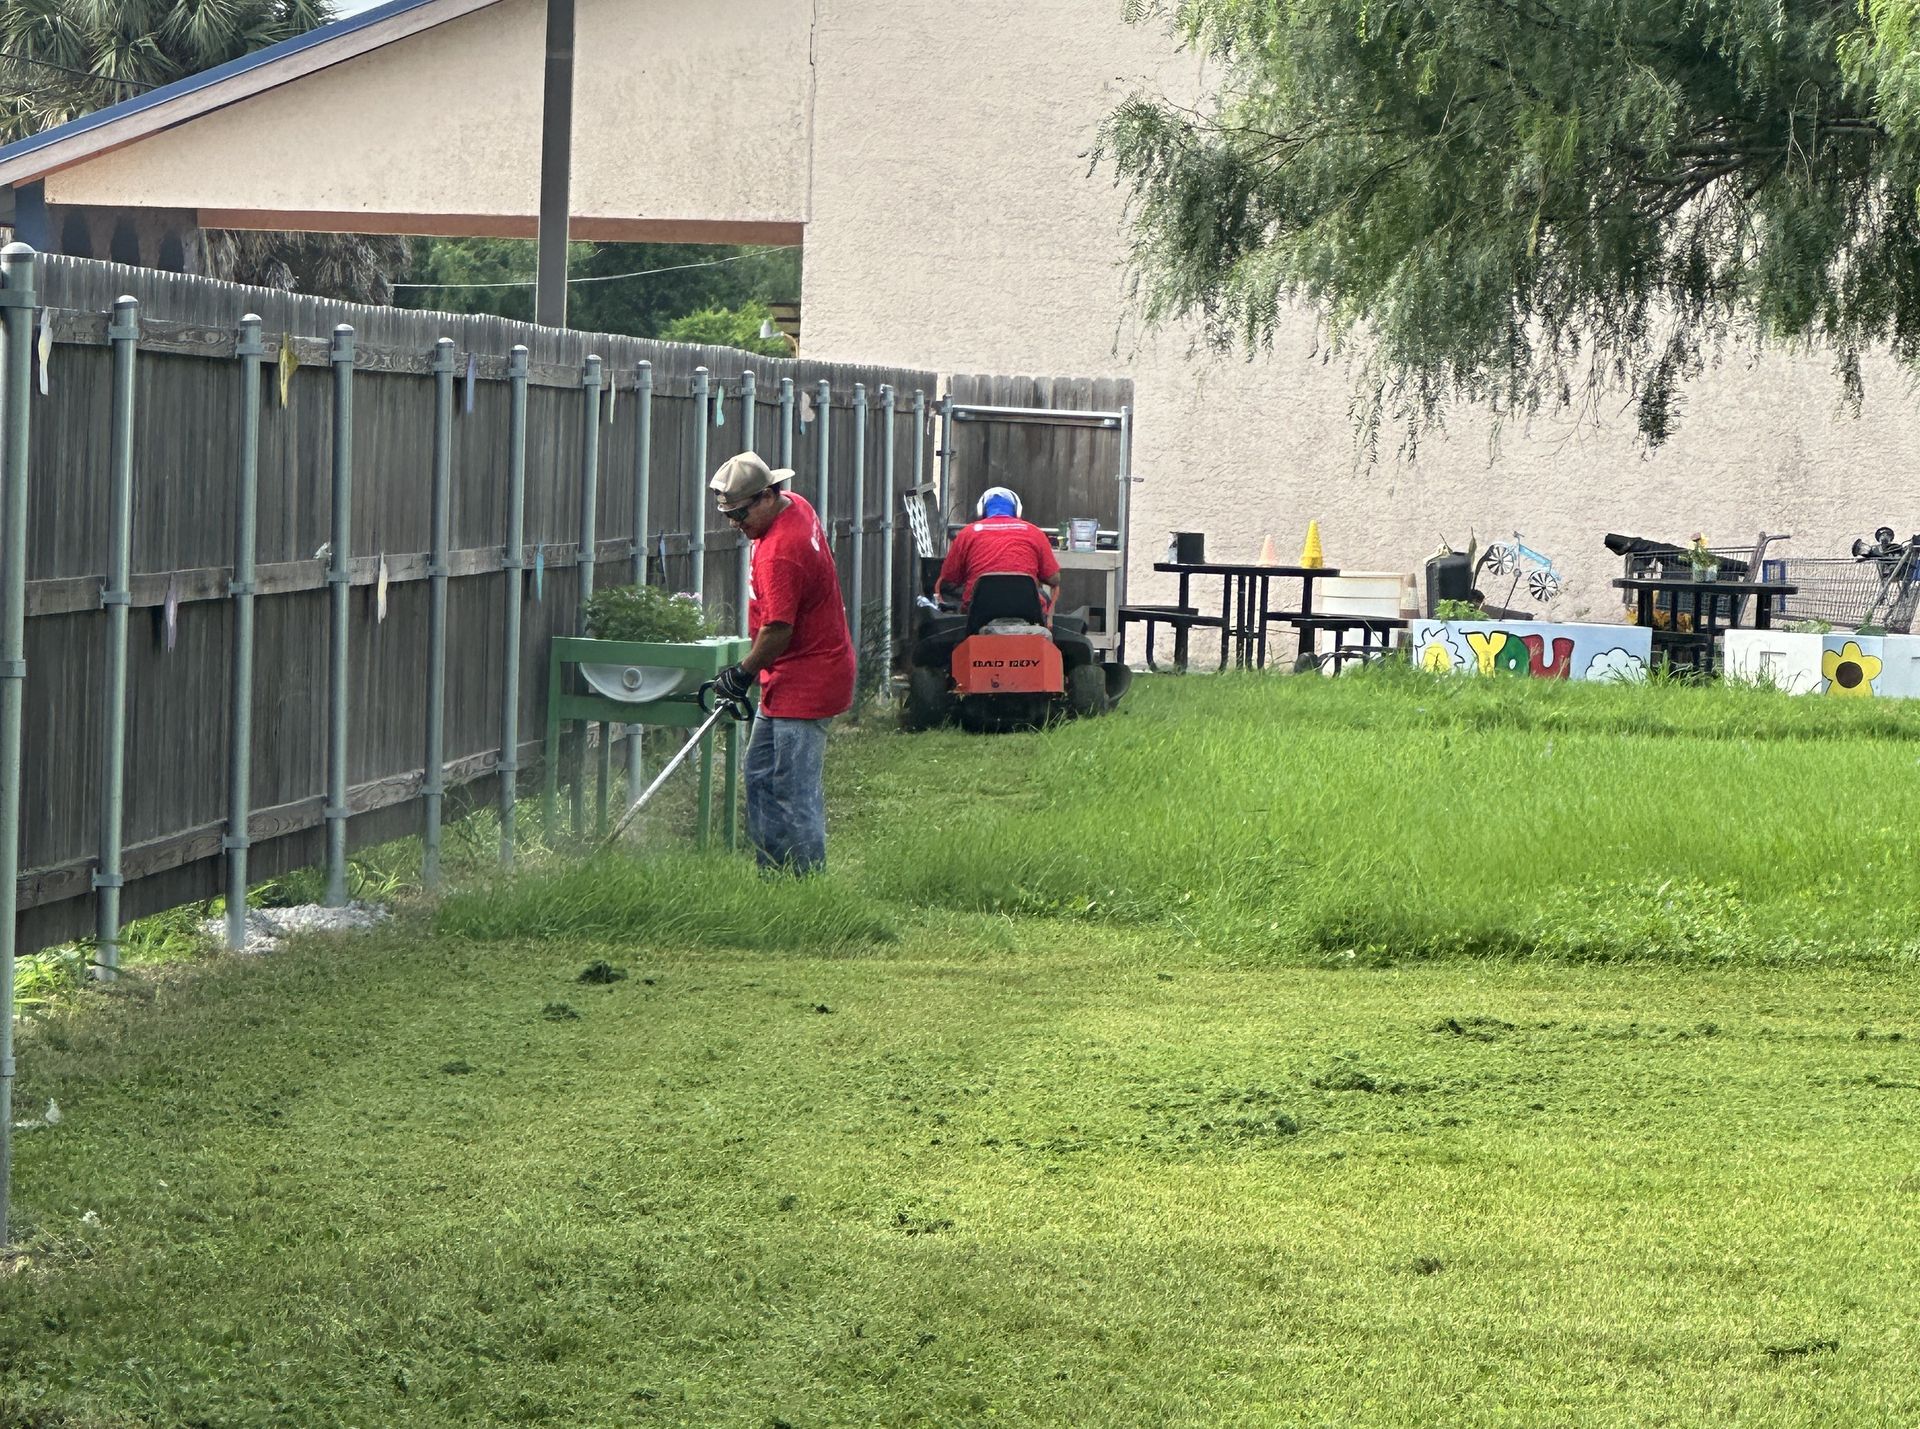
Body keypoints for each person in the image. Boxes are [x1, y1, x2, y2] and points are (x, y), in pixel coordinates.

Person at [708, 452, 855, 874]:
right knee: (759, 775)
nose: (735, 524)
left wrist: (741, 673)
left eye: (739, 513)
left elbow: (778, 630)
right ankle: (771, 873)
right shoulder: (798, 506)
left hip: (807, 680)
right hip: (792, 673)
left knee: (793, 789)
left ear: (768, 496)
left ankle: (807, 883)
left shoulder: (779, 554)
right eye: (728, 515)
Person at [936, 486, 1062, 614]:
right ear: (1017, 511)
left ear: (981, 511)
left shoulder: (967, 533)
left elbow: (949, 579)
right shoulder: (1034, 532)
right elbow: (1054, 579)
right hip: (1028, 611)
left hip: (977, 611)